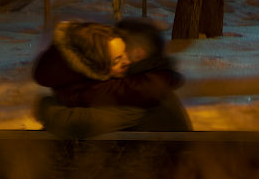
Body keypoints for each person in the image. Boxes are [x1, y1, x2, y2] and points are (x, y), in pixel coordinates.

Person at [31, 17, 191, 136]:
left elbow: (75, 123)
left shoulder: (138, 94)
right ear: (96, 69)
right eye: (118, 59)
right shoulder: (127, 85)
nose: (127, 61)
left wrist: (47, 107)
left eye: (124, 54)